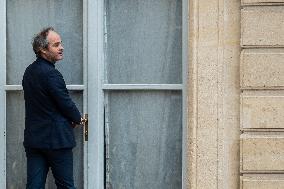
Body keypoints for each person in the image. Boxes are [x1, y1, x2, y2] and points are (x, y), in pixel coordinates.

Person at [22, 27, 84, 189]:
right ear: (43, 49)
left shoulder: (29, 71)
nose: (61, 47)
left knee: (34, 186)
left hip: (34, 140)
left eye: (61, 43)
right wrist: (78, 118)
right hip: (57, 141)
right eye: (56, 45)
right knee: (66, 186)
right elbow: (65, 102)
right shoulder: (51, 74)